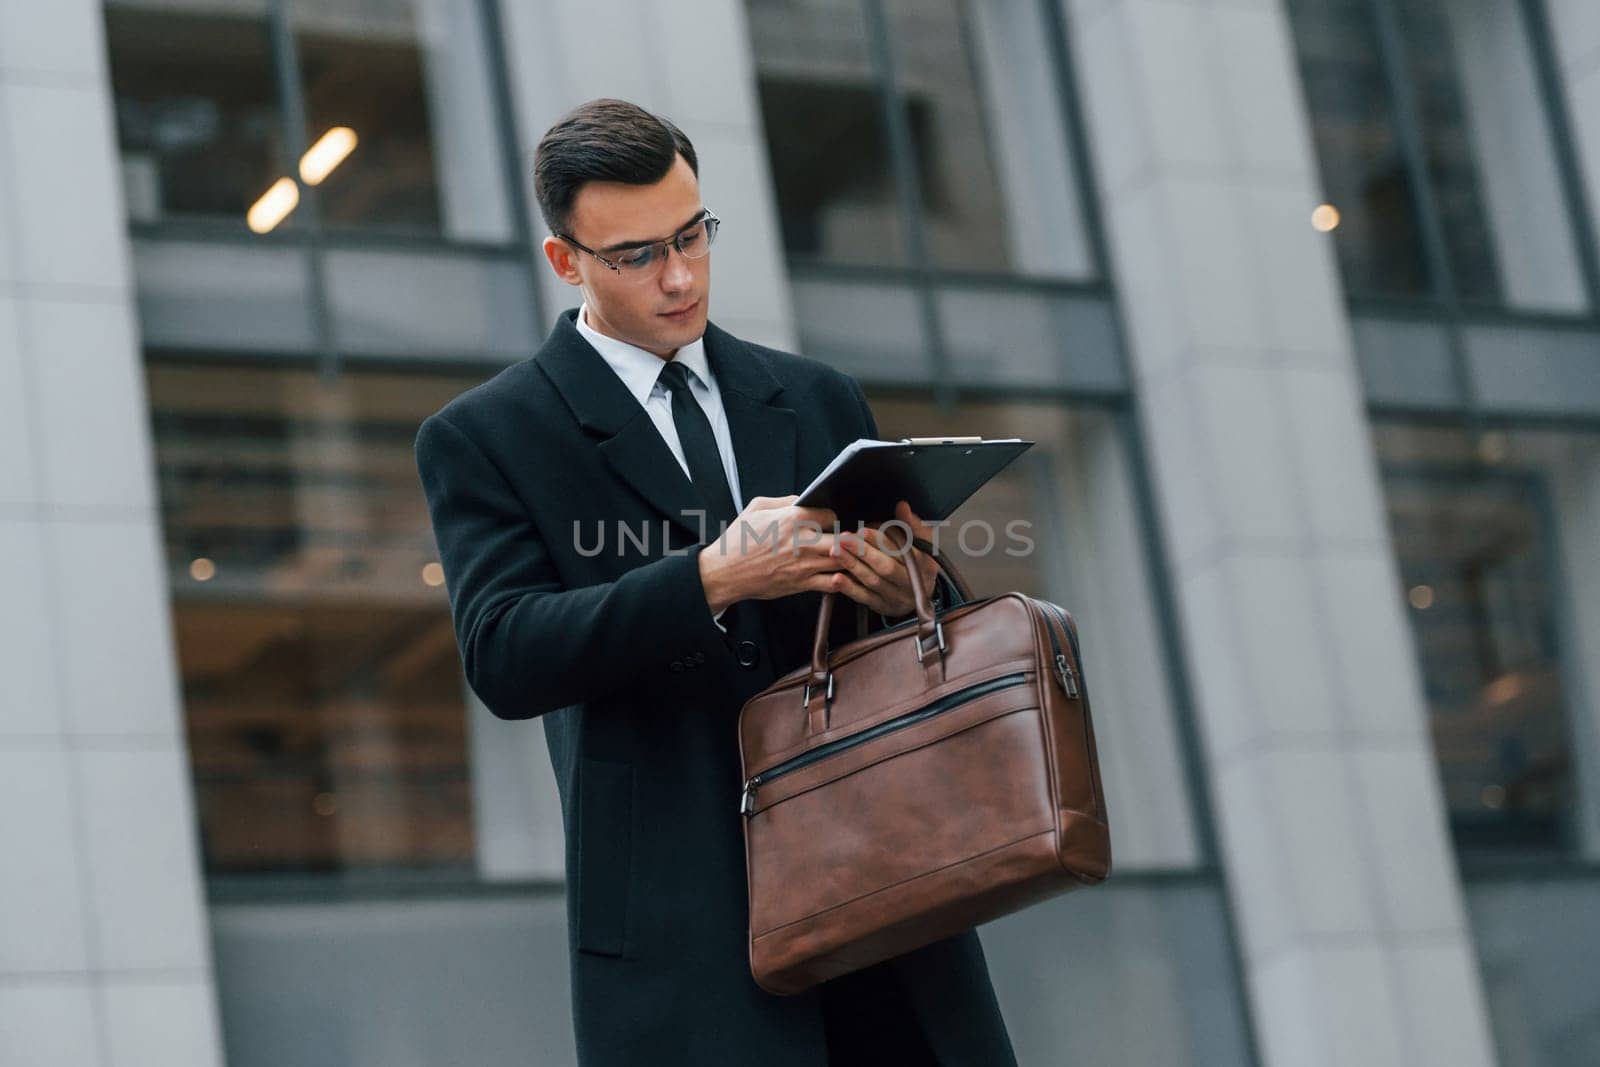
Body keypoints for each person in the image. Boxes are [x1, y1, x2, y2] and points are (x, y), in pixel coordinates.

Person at [414, 98, 1016, 1066]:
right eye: (637, 254)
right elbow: (506, 654)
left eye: (693, 234)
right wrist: (713, 576)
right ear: (565, 260)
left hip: (881, 869)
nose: (679, 274)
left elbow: (927, 607)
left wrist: (911, 594)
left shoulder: (815, 393)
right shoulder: (487, 435)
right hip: (675, 912)